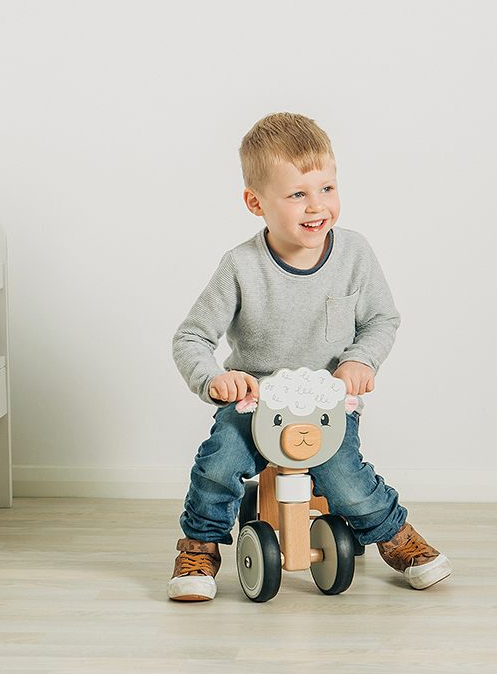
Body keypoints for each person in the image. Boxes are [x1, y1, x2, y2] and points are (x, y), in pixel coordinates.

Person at [169, 112, 451, 601]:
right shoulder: (240, 266)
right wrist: (216, 380)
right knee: (220, 462)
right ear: (256, 202)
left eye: (327, 188)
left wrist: (360, 360)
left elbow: (382, 320)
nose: (316, 205)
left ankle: (393, 535)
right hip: (254, 404)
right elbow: (191, 338)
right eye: (298, 194)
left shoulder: (355, 254)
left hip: (325, 405)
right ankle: (201, 546)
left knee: (343, 475)